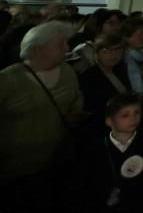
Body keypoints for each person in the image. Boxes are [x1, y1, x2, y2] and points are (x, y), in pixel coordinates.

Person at [0, 21, 83, 212]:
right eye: (60, 44)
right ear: (38, 48)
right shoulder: (8, 79)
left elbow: (76, 98)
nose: (67, 48)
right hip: (14, 170)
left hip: (55, 163)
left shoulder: (67, 72)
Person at [78, 92, 143, 212]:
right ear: (109, 121)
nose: (133, 118)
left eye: (137, 112)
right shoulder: (95, 149)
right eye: (125, 115)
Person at [78, 33, 132, 139]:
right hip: (101, 131)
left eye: (118, 50)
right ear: (97, 53)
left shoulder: (120, 70)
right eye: (106, 51)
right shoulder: (88, 77)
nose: (113, 55)